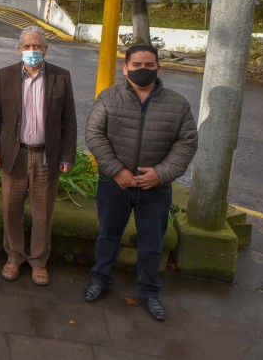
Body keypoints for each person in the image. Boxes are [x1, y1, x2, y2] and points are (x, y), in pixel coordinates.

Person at [84, 44, 197, 322]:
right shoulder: (109, 98)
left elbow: (187, 143)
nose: (142, 70)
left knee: (152, 242)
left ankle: (149, 291)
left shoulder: (177, 103)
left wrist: (161, 173)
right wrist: (116, 171)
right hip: (115, 185)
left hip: (155, 189)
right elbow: (94, 135)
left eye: (149, 65)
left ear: (159, 67)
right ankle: (100, 278)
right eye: (136, 65)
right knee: (108, 234)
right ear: (125, 68)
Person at [0, 25, 77, 286]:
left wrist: (67, 156)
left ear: (46, 50)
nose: (32, 51)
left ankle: (39, 261)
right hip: (14, 155)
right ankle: (14, 257)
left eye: (37, 46)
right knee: (11, 210)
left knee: (43, 212)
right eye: (27, 46)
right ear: (19, 50)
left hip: (46, 157)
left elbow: (68, 121)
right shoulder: (4, 76)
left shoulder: (61, 77)